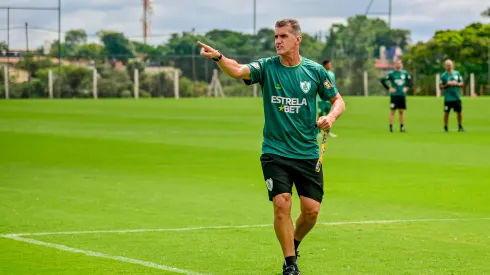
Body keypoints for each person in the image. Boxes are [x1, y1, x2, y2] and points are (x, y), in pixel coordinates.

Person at [197, 18, 345, 275]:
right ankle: (290, 264)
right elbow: (238, 70)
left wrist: (330, 117)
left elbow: (338, 101)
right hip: (275, 152)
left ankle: (293, 243)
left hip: (307, 152)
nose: (278, 41)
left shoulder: (314, 71)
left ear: (297, 40)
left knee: (311, 212)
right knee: (282, 203)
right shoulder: (267, 67)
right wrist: (218, 57)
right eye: (276, 36)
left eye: (284, 36)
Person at [380, 59, 412, 132]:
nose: (398, 65)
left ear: (401, 64)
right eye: (397, 64)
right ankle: (391, 127)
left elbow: (410, 81)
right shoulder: (391, 74)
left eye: (399, 63)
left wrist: (407, 87)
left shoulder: (405, 73)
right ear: (395, 65)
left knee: (401, 111)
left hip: (402, 95)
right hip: (394, 95)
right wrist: (388, 88)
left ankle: (402, 127)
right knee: (392, 111)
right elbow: (382, 80)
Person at [439, 59, 464, 132]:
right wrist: (447, 84)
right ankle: (445, 127)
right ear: (445, 66)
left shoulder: (457, 74)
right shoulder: (443, 76)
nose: (449, 66)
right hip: (448, 98)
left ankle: (460, 126)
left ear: (452, 65)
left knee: (459, 112)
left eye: (450, 65)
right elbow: (440, 86)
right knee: (446, 113)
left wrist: (456, 84)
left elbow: (462, 84)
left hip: (456, 97)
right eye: (447, 65)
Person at [317, 60, 337, 138]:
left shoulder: (332, 74)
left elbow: (332, 86)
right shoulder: (321, 73)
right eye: (329, 64)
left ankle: (328, 132)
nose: (330, 65)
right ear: (325, 65)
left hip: (329, 99)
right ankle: (318, 132)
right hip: (321, 99)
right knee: (320, 115)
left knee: (329, 115)